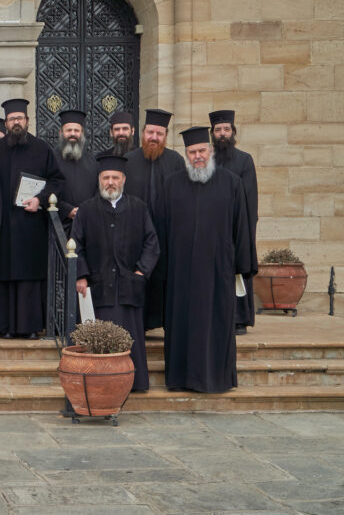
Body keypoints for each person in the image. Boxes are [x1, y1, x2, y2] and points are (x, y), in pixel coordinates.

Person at [156, 126, 255, 393]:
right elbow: (161, 230)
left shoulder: (231, 182)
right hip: (181, 273)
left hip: (217, 272)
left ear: (210, 151)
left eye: (201, 150)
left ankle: (216, 379)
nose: (197, 156)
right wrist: (163, 271)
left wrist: (241, 267)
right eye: (192, 152)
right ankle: (180, 379)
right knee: (182, 327)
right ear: (186, 155)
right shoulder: (171, 184)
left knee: (216, 327)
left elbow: (241, 227)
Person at [73, 155, 159, 392]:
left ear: (123, 180)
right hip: (98, 286)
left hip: (129, 286)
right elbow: (75, 245)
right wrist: (80, 275)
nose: (110, 182)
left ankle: (133, 383)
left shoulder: (139, 208)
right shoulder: (87, 209)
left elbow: (152, 243)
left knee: (130, 337)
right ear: (99, 180)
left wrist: (142, 270)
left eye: (115, 178)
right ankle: (99, 384)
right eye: (105, 177)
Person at [0, 98, 64, 339]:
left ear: (27, 121)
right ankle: (6, 327)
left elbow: (57, 181)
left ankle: (30, 327)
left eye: (20, 118)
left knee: (29, 278)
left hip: (31, 226)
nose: (16, 122)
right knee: (6, 276)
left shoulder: (42, 149)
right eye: (12, 119)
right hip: (4, 225)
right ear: (6, 123)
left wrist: (40, 200)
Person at [124, 108, 183, 330]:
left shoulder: (176, 161)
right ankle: (137, 324)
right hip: (133, 235)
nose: (154, 138)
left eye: (159, 133)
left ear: (165, 135)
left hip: (166, 234)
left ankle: (160, 322)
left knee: (162, 281)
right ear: (142, 133)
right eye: (150, 132)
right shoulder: (128, 160)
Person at [210, 109, 259, 335]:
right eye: (218, 130)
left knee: (237, 271)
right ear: (212, 133)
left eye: (226, 130)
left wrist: (245, 232)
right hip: (212, 231)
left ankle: (239, 319)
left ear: (233, 132)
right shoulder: (206, 160)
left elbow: (250, 199)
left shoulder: (244, 160)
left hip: (237, 229)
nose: (222, 134)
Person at [53, 110, 98, 233]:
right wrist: (67, 210)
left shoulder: (93, 161)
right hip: (58, 226)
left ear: (82, 133)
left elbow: (98, 191)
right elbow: (45, 188)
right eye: (68, 130)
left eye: (76, 130)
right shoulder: (51, 159)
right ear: (61, 132)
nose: (72, 134)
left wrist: (85, 211)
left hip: (88, 225)